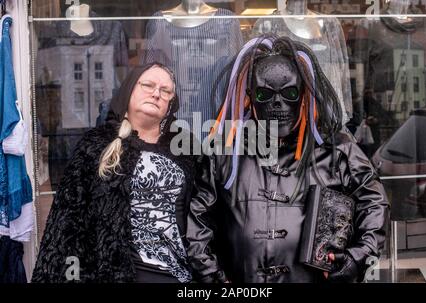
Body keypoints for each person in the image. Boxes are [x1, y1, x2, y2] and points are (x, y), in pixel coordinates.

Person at [186, 36, 389, 283]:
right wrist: (212, 277)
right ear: (251, 96)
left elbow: (373, 202)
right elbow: (199, 220)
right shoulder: (226, 152)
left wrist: (358, 257)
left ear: (304, 94)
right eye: (265, 94)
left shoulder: (337, 148)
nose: (278, 103)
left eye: (289, 92)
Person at [32, 63, 196, 283]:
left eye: (165, 91)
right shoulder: (95, 145)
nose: (156, 93)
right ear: (129, 91)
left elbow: (204, 220)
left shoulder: (186, 149)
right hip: (112, 274)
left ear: (171, 103)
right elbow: (66, 225)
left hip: (177, 275)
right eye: (148, 85)